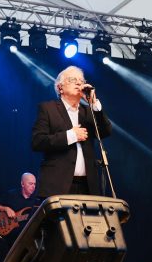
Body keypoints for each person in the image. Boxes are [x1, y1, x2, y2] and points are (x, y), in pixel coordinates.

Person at [31, 66, 112, 198]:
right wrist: (71, 135)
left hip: (87, 186)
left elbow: (105, 131)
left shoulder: (88, 111)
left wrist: (94, 104)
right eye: (73, 79)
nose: (79, 83)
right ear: (60, 88)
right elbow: (37, 141)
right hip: (57, 184)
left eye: (81, 80)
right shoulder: (47, 109)